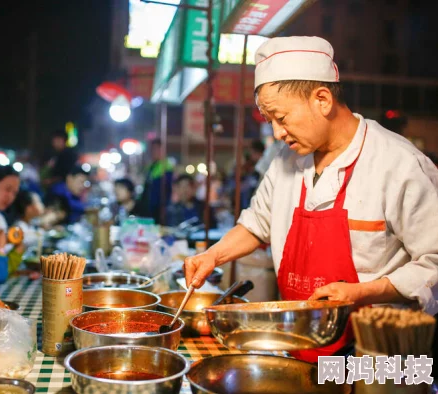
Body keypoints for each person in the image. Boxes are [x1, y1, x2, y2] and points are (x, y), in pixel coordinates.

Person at [184, 36, 438, 363]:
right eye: (270, 121)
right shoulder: (287, 159)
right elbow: (257, 224)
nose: (277, 133)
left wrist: (362, 292)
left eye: (282, 117)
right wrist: (213, 256)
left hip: (375, 356)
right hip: (300, 345)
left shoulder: (398, 164)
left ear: (322, 99)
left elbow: (434, 261)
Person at [137, 139, 173, 224]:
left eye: (157, 149)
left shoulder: (166, 166)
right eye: (152, 149)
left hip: (158, 210)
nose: (154, 152)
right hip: (147, 209)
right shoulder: (151, 166)